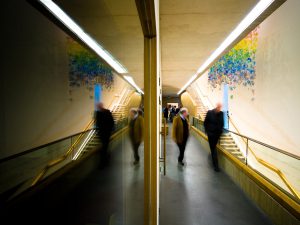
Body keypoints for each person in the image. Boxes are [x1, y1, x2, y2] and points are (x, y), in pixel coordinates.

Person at [204, 103, 224, 172]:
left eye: (220, 107)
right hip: (211, 134)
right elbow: (205, 122)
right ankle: (216, 166)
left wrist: (220, 132)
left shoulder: (221, 114)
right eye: (218, 106)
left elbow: (222, 123)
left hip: (217, 135)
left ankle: (214, 161)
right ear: (216, 106)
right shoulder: (210, 112)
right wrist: (207, 131)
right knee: (213, 149)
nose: (219, 108)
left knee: (213, 148)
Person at [95, 102, 115, 166]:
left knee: (104, 147)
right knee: (105, 146)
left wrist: (109, 129)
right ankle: (106, 157)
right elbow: (111, 122)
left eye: (99, 106)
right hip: (104, 133)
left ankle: (103, 161)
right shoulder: (102, 113)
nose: (98, 107)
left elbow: (111, 122)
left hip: (105, 133)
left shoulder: (101, 113)